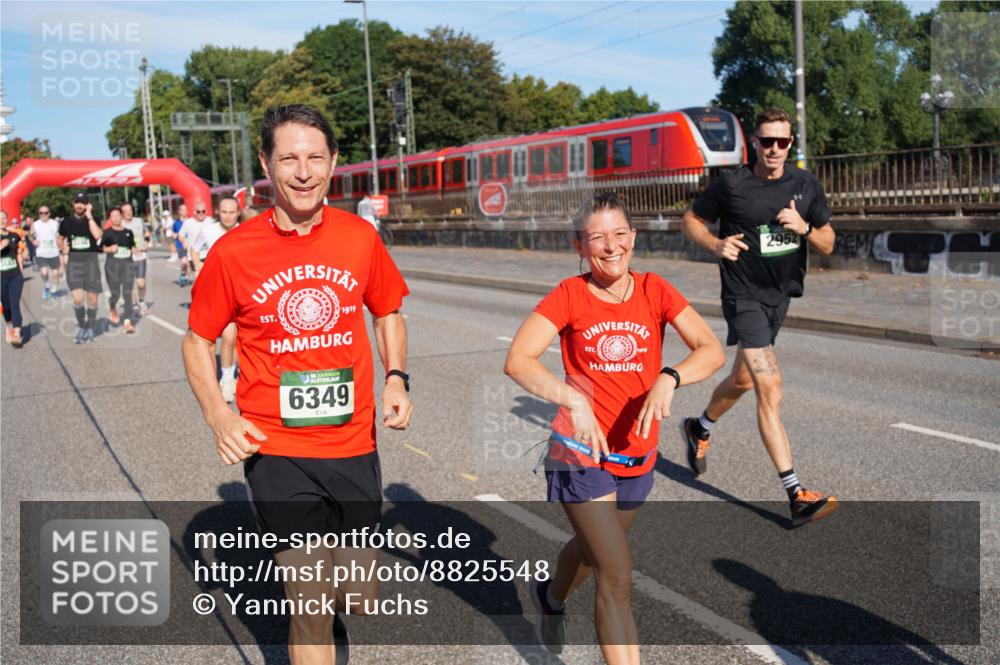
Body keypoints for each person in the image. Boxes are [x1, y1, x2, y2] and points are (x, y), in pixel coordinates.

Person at [182, 104, 413, 665]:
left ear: (334, 163)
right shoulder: (233, 251)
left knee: (357, 597)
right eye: (289, 158)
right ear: (267, 164)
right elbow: (196, 340)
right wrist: (219, 414)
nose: (303, 171)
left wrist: (397, 377)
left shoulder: (360, 238)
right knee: (308, 602)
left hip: (354, 443)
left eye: (315, 157)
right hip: (277, 449)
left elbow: (387, 311)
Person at [504, 192, 724, 663]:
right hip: (577, 452)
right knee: (617, 574)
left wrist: (671, 376)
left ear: (634, 237)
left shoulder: (655, 290)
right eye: (597, 237)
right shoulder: (569, 294)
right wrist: (571, 398)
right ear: (578, 246)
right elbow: (518, 360)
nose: (610, 246)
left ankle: (549, 596)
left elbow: (711, 348)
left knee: (591, 554)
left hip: (636, 457)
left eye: (619, 234)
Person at [680, 106, 838, 528]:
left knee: (745, 379)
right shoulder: (733, 185)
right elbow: (691, 219)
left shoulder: (805, 184)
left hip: (779, 297)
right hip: (743, 296)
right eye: (766, 140)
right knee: (771, 385)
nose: (773, 149)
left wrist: (803, 227)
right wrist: (714, 245)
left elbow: (828, 243)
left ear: (791, 144)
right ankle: (796, 493)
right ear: (754, 141)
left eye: (782, 142)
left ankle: (700, 425)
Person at [191, 196, 241, 402]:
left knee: (238, 339)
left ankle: (232, 375)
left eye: (232, 212)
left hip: (241, 290)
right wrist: (198, 267)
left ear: (238, 213)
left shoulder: (246, 231)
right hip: (218, 291)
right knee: (228, 336)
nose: (228, 216)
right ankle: (227, 379)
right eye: (224, 212)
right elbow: (194, 249)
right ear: (218, 212)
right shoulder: (208, 231)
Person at [58, 193, 103, 344]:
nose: (80, 205)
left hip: (91, 264)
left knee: (93, 300)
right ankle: (82, 326)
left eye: (83, 203)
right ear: (73, 203)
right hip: (74, 265)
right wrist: (62, 246)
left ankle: (90, 326)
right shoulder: (66, 221)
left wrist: (89, 216)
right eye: (77, 202)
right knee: (78, 299)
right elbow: (60, 237)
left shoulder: (93, 219)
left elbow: (98, 236)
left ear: (87, 204)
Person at [101, 207, 137, 334]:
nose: (116, 218)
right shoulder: (107, 233)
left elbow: (132, 246)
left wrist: (135, 249)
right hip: (112, 266)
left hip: (127, 265)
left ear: (121, 216)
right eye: (113, 216)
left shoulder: (128, 232)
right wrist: (109, 249)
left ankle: (127, 322)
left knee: (128, 293)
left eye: (117, 215)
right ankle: (112, 307)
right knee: (115, 293)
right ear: (110, 218)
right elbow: (98, 248)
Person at [121, 202, 151, 316]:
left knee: (141, 283)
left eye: (130, 210)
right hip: (127, 256)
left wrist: (147, 243)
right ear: (122, 213)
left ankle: (142, 301)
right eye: (126, 211)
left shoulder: (139, 221)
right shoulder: (120, 224)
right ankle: (134, 305)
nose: (129, 212)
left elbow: (147, 232)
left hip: (140, 256)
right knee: (130, 283)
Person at [1, 223, 26, 347]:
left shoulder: (14, 235)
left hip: (15, 275)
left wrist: (24, 254)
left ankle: (16, 333)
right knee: (6, 306)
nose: (2, 221)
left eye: (4, 218)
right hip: (1, 277)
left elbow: (21, 251)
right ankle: (9, 325)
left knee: (14, 304)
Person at [31, 205, 62, 299]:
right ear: (39, 214)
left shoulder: (54, 223)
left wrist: (61, 246)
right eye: (41, 213)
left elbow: (60, 236)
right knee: (44, 273)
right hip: (41, 252)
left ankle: (54, 290)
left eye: (45, 213)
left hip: (54, 252)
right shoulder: (35, 224)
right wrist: (33, 240)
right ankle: (46, 286)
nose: (43, 214)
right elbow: (30, 234)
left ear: (49, 213)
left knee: (56, 274)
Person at [178, 201, 210, 285]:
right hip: (194, 255)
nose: (201, 213)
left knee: (210, 279)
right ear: (194, 212)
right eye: (198, 211)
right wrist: (184, 242)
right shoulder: (188, 223)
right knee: (201, 278)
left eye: (203, 211)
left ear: (206, 211)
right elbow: (180, 235)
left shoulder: (211, 221)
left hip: (209, 254)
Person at [172, 203, 189, 279]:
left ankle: (184, 274)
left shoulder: (191, 222)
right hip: (181, 245)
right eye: (183, 210)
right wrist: (175, 235)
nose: (185, 211)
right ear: (179, 212)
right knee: (184, 262)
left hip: (190, 246)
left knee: (188, 265)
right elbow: (173, 233)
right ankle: (183, 273)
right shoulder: (176, 223)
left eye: (186, 209)